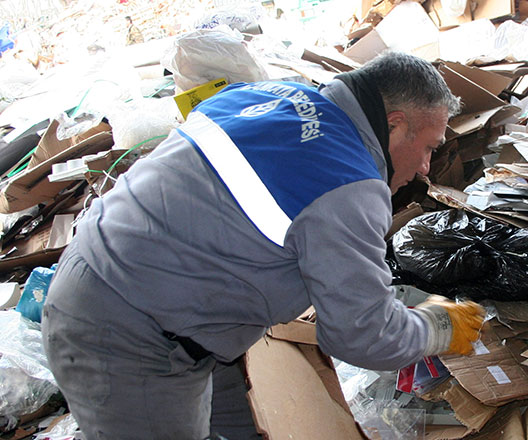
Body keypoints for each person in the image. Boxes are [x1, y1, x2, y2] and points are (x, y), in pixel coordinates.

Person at [42, 51, 486, 439]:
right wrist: (438, 327)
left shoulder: (261, 95)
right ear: (395, 125)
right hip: (127, 337)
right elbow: (362, 337)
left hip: (106, 275)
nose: (427, 167)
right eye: (429, 147)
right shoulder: (348, 183)